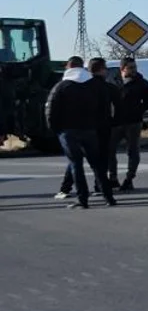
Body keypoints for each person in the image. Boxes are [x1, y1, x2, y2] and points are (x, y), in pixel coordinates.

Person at [45, 56, 118, 208]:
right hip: (90, 130)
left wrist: (55, 130)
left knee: (75, 164)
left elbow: (50, 110)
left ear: (68, 67)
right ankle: (109, 197)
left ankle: (82, 199)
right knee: (97, 165)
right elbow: (104, 108)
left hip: (68, 130)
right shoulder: (94, 85)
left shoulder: (62, 86)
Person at [111, 56, 148, 190]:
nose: (134, 70)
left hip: (133, 122)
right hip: (115, 122)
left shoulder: (142, 83)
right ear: (122, 68)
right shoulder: (113, 82)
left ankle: (129, 178)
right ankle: (112, 178)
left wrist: (139, 110)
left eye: (135, 67)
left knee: (133, 151)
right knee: (109, 150)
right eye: (131, 68)